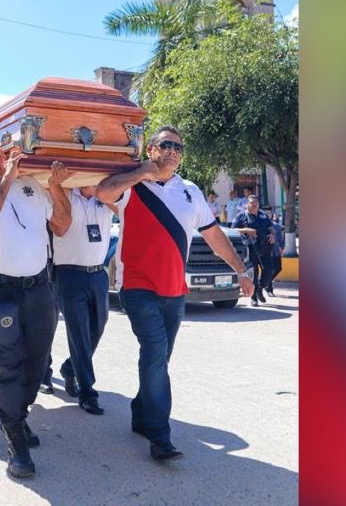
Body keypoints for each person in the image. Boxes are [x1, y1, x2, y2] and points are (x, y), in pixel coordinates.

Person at [96, 126, 254, 461]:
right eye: (166, 145)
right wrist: (140, 172)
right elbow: (103, 192)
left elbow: (213, 236)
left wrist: (240, 270)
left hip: (174, 289)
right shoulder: (132, 185)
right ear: (151, 150)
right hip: (137, 286)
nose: (173, 151)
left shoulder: (190, 191)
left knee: (160, 359)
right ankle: (160, 436)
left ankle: (141, 412)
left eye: (178, 147)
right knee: (155, 353)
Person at [0, 136, 71, 479]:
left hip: (39, 289)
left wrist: (56, 187)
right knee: (7, 366)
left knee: (36, 363)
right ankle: (15, 440)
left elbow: (62, 225)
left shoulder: (31, 186)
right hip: (0, 291)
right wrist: (8, 175)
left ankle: (18, 416)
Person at [51, 184, 118, 415]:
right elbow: (58, 227)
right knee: (79, 333)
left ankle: (70, 368)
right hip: (69, 274)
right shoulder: (66, 194)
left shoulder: (105, 197)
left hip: (97, 273)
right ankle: (88, 393)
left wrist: (102, 192)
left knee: (97, 328)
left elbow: (124, 211)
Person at [232, 195, 269, 305]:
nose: (254, 204)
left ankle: (260, 288)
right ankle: (254, 298)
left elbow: (270, 226)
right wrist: (246, 230)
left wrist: (272, 234)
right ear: (247, 204)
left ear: (258, 204)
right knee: (254, 272)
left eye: (256, 202)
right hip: (250, 248)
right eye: (251, 202)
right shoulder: (242, 215)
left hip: (264, 247)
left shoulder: (263, 215)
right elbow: (233, 230)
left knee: (269, 270)